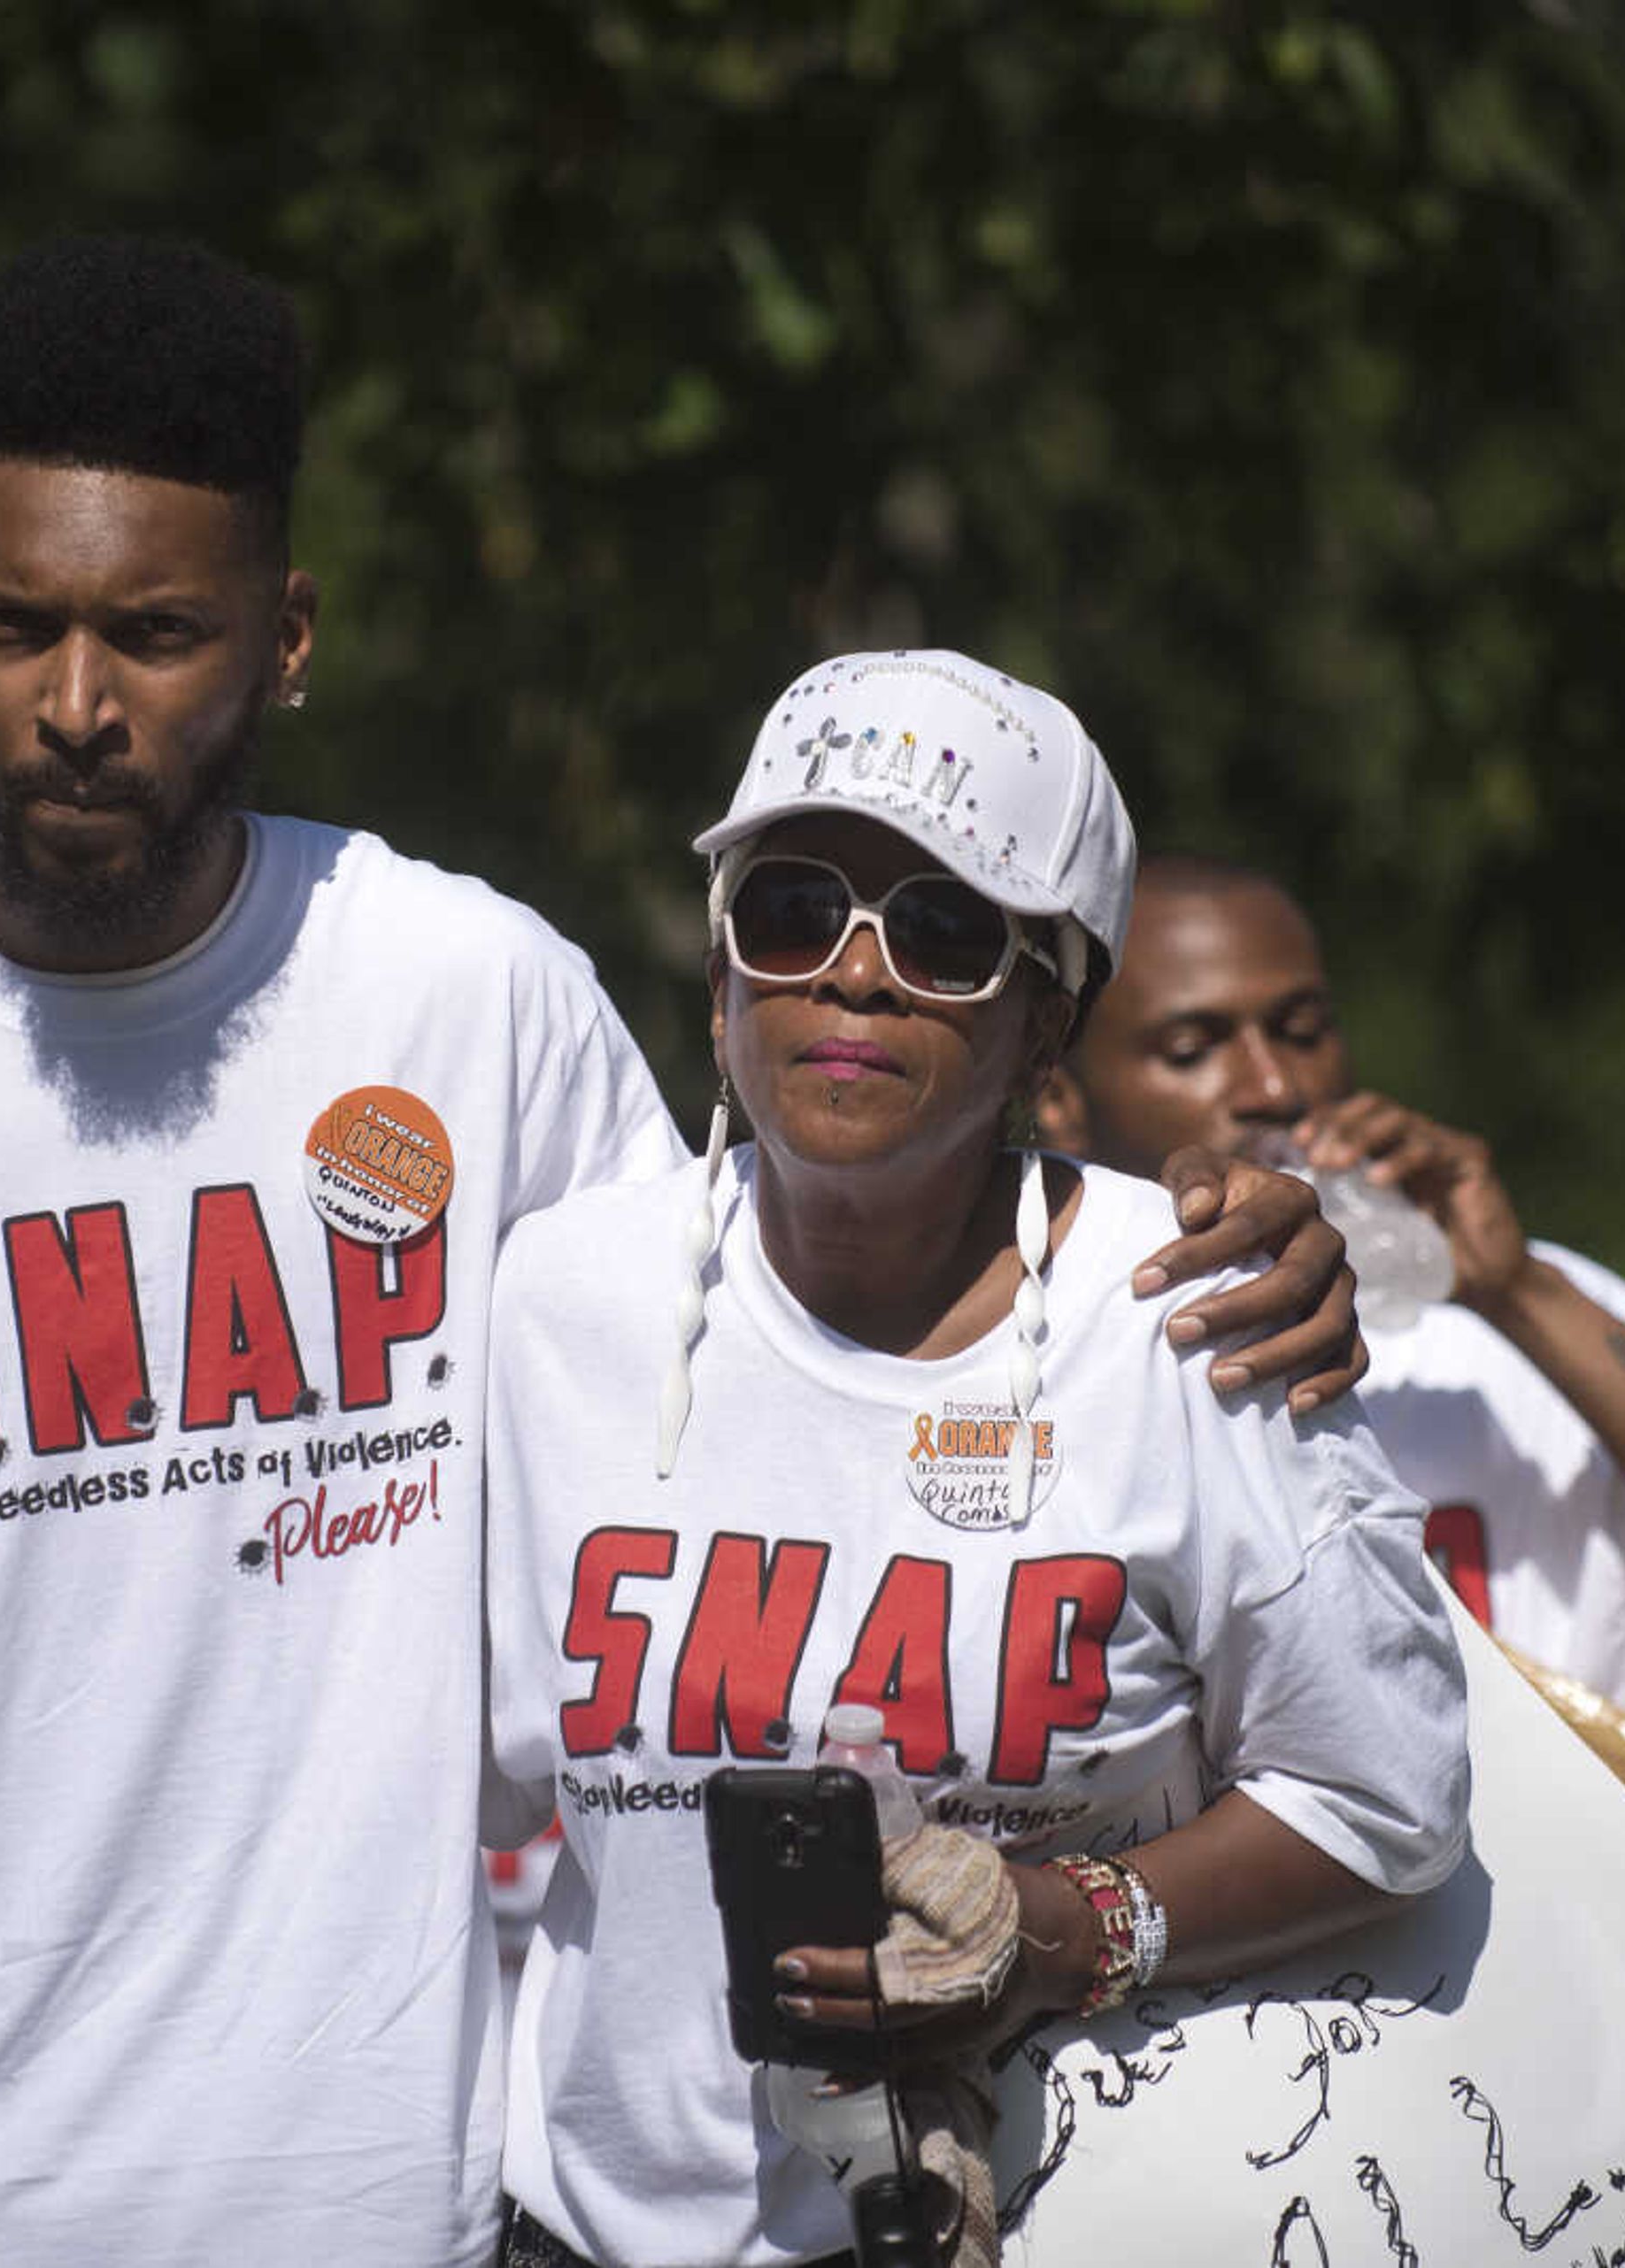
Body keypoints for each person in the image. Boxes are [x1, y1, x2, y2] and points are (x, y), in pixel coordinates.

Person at [0, 238, 1362, 2268]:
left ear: (283, 639)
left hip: (357, 2203)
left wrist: (1193, 1233)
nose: (78, 704)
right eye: (15, 627)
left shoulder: (476, 1003)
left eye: (156, 633)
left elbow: (783, 1377)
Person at [481, 651, 1473, 2267]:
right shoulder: (557, 1302)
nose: (855, 978)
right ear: (725, 971)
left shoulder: (1192, 1319)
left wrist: (1061, 1928)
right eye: (794, 911)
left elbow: (1389, 1791)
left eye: (944, 932)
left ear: (1044, 1020)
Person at [1035, 855, 1625, 1751]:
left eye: (1302, 1030)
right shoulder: (1008, 1352)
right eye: (1195, 1048)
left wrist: (1514, 1289)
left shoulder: (1505, 1326)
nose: (1275, 1085)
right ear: (1059, 1095)